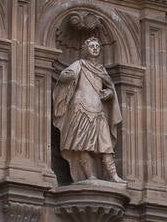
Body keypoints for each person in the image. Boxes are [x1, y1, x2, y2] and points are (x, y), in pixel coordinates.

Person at [53, 35, 123, 181]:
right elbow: (64, 75)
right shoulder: (79, 64)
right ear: (85, 49)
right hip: (81, 107)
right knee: (82, 143)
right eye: (92, 46)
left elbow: (109, 87)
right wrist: (68, 75)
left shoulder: (102, 69)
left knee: (105, 144)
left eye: (97, 46)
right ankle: (89, 175)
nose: (95, 48)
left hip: (98, 110)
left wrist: (109, 93)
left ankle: (113, 175)